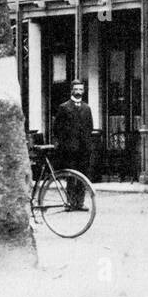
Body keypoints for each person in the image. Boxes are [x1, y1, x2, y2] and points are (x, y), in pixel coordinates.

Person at [53, 80, 94, 209]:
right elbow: (57, 128)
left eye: (81, 89)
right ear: (71, 90)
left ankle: (80, 202)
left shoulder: (87, 108)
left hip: (83, 148)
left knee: (82, 176)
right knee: (71, 176)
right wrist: (64, 143)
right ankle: (70, 202)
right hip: (69, 149)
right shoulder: (64, 107)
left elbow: (90, 127)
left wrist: (87, 144)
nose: (78, 92)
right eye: (76, 89)